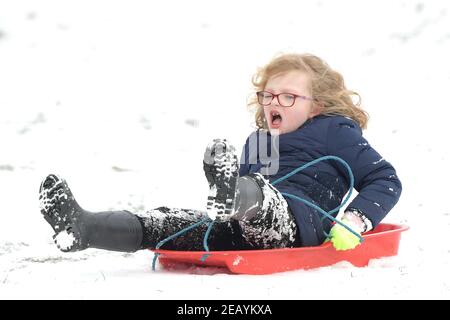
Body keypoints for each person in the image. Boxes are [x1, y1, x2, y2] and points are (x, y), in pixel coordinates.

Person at [39, 53, 402, 254]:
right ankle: (84, 228)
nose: (275, 102)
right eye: (269, 95)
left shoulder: (334, 131)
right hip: (242, 226)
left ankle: (234, 194)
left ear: (318, 105)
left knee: (264, 197)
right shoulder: (260, 140)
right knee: (169, 225)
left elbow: (385, 180)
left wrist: (355, 221)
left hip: (298, 225)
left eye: (288, 96)